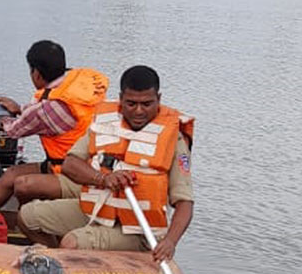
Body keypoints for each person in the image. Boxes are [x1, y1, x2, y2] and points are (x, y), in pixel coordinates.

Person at [16, 65, 196, 263]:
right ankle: (57, 264)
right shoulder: (105, 123)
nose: (138, 111)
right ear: (121, 99)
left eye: (146, 104)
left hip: (137, 229)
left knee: (72, 242)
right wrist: (103, 178)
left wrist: (170, 241)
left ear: (158, 99)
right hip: (98, 210)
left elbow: (184, 202)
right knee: (27, 217)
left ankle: (67, 260)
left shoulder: (174, 140)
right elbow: (69, 164)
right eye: (131, 104)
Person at [0, 41, 109, 210]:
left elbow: (14, 130)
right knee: (11, 174)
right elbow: (46, 115)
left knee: (22, 184)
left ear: (37, 74)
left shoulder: (49, 108)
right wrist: (21, 109)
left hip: (72, 172)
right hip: (90, 164)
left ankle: (26, 218)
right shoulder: (78, 86)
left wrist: (2, 119)